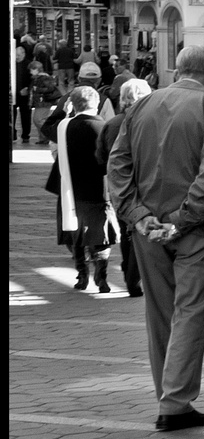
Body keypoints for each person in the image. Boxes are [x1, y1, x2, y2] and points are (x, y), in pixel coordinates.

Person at [107, 44, 204, 432]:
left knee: (161, 312)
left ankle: (170, 396)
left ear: (178, 69)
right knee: (190, 311)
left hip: (149, 227)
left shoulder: (142, 106)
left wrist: (138, 215)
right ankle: (176, 401)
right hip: (194, 228)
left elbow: (117, 167)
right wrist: (182, 219)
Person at [47, 87, 115, 293]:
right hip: (97, 189)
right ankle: (101, 275)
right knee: (101, 233)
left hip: (70, 189)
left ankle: (81, 274)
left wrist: (63, 110)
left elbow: (46, 126)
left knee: (75, 231)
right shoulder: (105, 127)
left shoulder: (64, 127)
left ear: (73, 105)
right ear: (97, 104)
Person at [97, 77, 153, 297]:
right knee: (141, 231)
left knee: (127, 231)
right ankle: (134, 277)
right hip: (145, 186)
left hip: (119, 188)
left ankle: (131, 273)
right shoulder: (152, 121)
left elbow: (101, 157)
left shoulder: (112, 124)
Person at [28, 61, 60, 143]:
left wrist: (37, 89)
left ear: (36, 69)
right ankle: (43, 138)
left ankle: (49, 134)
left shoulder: (43, 78)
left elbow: (50, 88)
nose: (30, 72)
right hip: (41, 102)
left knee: (38, 120)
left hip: (44, 102)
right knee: (39, 120)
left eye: (31, 69)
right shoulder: (38, 78)